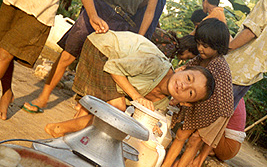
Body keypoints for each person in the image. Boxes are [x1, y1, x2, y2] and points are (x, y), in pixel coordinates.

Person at [23, 0, 171, 114]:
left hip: (120, 23)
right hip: (98, 7)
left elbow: (149, 11)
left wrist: (139, 39)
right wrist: (89, 9)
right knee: (68, 54)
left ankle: (83, 105)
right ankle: (43, 96)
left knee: (101, 68)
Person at [0, 0, 108, 120]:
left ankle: (6, 95)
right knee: (5, 49)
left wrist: (93, 15)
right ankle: (7, 93)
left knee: (4, 53)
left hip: (41, 9)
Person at [44, 30, 215, 138]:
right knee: (117, 109)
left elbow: (148, 121)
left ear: (184, 102)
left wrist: (155, 131)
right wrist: (136, 96)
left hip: (111, 67)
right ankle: (58, 129)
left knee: (107, 113)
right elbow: (113, 67)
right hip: (101, 50)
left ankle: (70, 139)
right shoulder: (155, 63)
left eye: (191, 93)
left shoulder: (162, 101)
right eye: (189, 79)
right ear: (182, 69)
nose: (184, 86)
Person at [155, 18, 234, 167]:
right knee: (182, 135)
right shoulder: (199, 59)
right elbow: (185, 72)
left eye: (205, 46)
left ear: (218, 46)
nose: (200, 49)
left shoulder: (218, 66)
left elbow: (214, 101)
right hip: (199, 104)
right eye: (199, 43)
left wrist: (184, 101)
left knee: (194, 140)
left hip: (217, 111)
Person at [187, 97, 246, 167]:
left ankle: (192, 163)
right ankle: (197, 163)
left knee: (212, 124)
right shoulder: (239, 95)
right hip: (231, 149)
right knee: (215, 123)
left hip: (226, 147)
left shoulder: (229, 94)